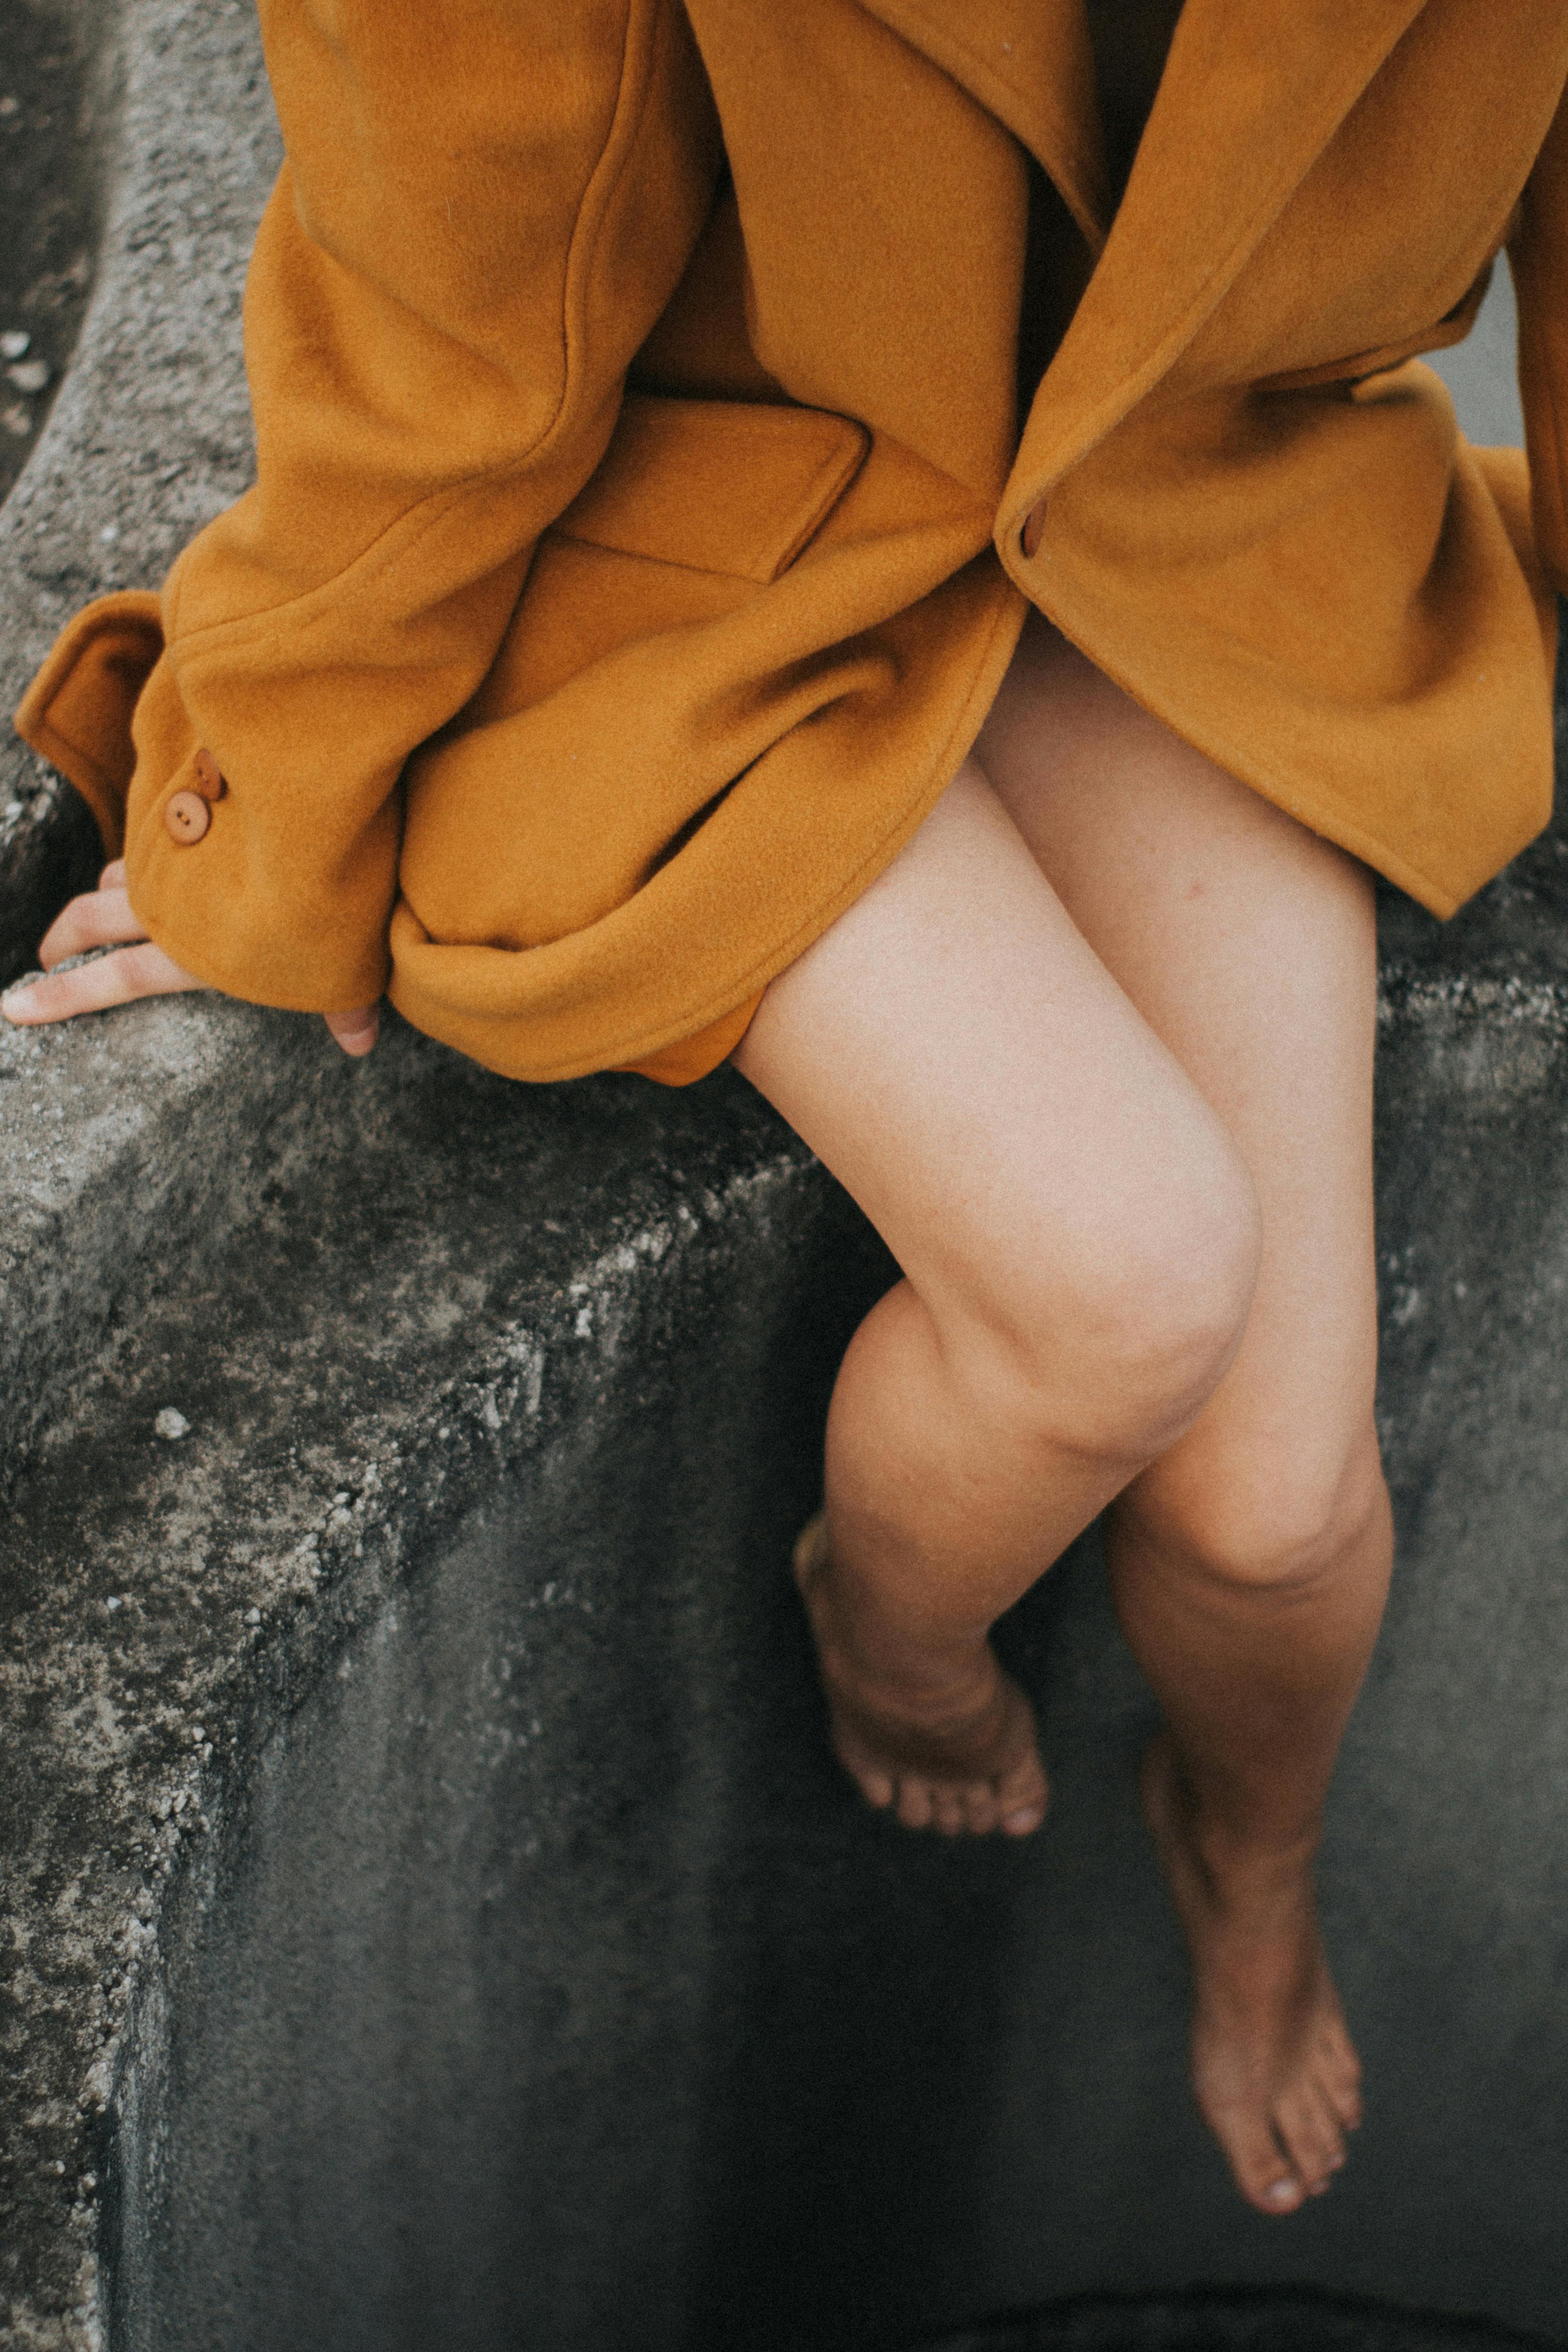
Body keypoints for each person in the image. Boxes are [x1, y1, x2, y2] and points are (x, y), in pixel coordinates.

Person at [8, 0, 1568, 2224]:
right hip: (709, 525)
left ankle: (1252, 1849)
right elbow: (454, 273)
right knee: (1128, 1277)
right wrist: (260, 798)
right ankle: (897, 1632)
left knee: (1279, 1514)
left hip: (1188, 502)